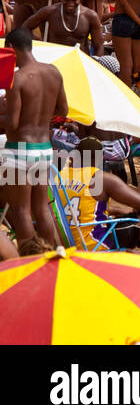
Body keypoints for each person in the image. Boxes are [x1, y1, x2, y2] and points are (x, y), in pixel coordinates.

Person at [1, 27, 66, 254]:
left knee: (21, 210)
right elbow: (63, 110)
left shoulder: (16, 79)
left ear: (11, 49)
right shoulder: (54, 72)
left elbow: (12, 124)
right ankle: (55, 254)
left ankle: (29, 260)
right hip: (44, 148)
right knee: (42, 209)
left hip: (19, 150)